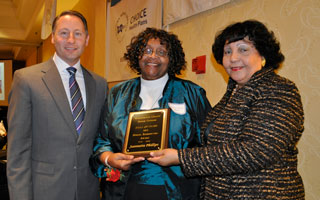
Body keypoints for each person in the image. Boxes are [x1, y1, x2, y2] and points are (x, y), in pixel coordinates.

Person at [148, 20, 305, 199]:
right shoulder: (233, 93)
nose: (233, 58)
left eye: (243, 49)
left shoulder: (279, 89)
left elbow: (255, 152)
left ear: (263, 54)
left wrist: (181, 157)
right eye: (227, 52)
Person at [90, 27, 211, 200]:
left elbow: (209, 144)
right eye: (147, 50)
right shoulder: (118, 93)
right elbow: (102, 139)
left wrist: (179, 157)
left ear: (171, 59)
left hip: (178, 190)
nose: (153, 56)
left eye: (161, 52)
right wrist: (109, 158)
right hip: (124, 189)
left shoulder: (191, 93)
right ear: (137, 55)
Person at [7, 10, 108, 200]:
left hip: (88, 191)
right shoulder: (26, 80)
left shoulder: (100, 84)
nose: (71, 40)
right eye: (64, 33)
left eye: (78, 34)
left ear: (86, 39)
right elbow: (18, 153)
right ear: (53, 38)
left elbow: (100, 139)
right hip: (45, 192)